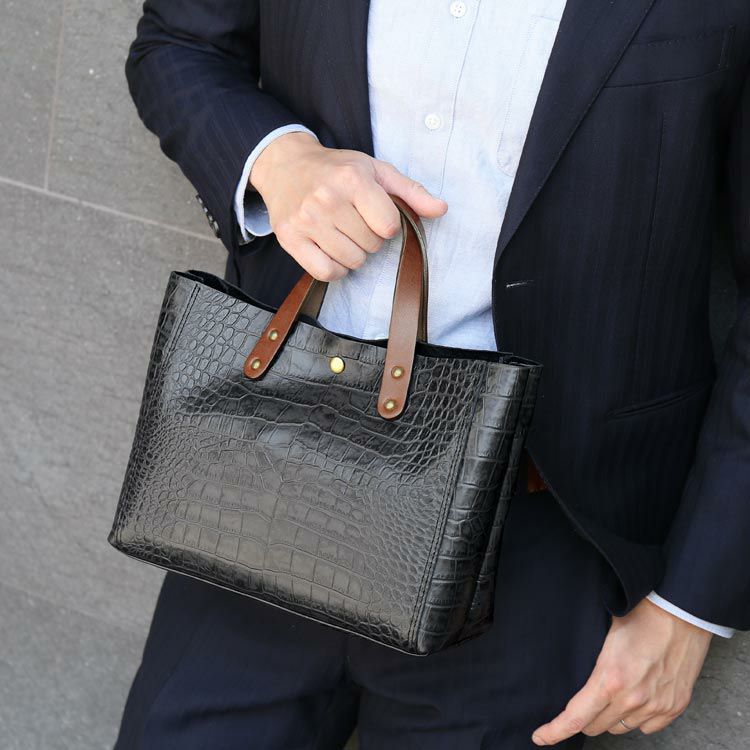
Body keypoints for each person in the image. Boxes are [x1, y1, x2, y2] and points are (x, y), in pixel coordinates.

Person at [113, 2, 750, 748]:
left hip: (534, 542)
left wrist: (690, 607)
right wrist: (280, 162)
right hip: (260, 484)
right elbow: (177, 44)